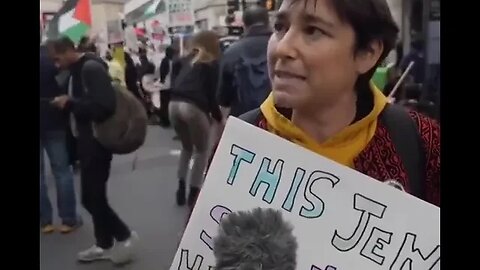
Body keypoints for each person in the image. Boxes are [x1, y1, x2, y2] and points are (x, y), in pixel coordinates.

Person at [241, 0, 440, 206]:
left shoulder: (423, 142)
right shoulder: (240, 143)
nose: (282, 48)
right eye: (280, 27)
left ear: (368, 53)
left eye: (312, 30)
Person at [47, 37, 138, 264]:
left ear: (68, 50)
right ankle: (103, 243)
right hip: (87, 141)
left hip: (97, 142)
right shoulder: (78, 70)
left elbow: (104, 105)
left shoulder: (90, 68)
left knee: (92, 197)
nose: (56, 64)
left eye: (57, 59)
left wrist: (70, 104)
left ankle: (124, 234)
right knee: (93, 196)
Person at [169, 31, 223, 209]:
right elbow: (211, 95)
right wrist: (218, 118)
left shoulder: (184, 60)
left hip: (174, 105)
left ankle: (179, 186)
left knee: (186, 147)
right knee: (201, 151)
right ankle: (194, 193)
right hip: (193, 107)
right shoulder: (210, 63)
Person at [40, 44, 81, 234]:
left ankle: (44, 221)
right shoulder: (52, 64)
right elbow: (65, 89)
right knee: (62, 171)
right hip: (54, 121)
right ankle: (68, 219)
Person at [217, 5, 272, 118]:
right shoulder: (282, 47)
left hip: (244, 120)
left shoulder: (231, 52)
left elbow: (224, 97)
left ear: (244, 24)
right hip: (279, 119)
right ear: (268, 21)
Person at [158, 46, 176, 127]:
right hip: (172, 85)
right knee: (169, 103)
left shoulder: (165, 61)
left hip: (164, 85)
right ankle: (170, 119)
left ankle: (164, 121)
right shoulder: (174, 61)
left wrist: (161, 80)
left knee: (164, 104)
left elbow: (162, 72)